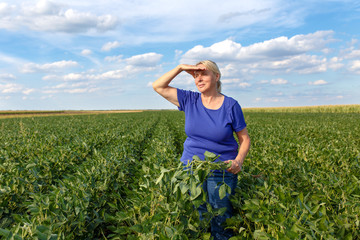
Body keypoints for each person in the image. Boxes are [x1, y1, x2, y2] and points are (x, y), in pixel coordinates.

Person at [152, 60, 250, 239]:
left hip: (221, 170)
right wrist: (181, 68)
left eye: (203, 74)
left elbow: (244, 139)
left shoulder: (230, 105)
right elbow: (158, 86)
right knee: (198, 216)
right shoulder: (189, 100)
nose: (198, 79)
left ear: (217, 76)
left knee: (221, 217)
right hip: (191, 169)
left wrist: (239, 161)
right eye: (195, 76)